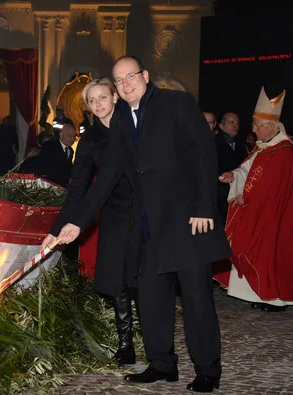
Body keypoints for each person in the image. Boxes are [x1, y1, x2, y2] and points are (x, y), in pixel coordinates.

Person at [54, 56, 231, 393]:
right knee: (151, 300)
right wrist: (77, 223)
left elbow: (203, 154)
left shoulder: (176, 103)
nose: (126, 84)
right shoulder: (121, 118)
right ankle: (162, 364)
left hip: (187, 222)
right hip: (147, 227)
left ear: (145, 76)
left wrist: (204, 207)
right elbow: (107, 177)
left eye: (131, 76)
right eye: (119, 80)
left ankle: (209, 369)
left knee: (196, 301)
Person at [42, 77, 138, 366]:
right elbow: (77, 188)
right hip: (112, 211)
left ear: (115, 97)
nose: (98, 105)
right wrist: (56, 229)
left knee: (143, 278)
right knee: (118, 281)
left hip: (144, 208)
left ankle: (155, 341)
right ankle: (126, 345)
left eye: (102, 98)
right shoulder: (89, 141)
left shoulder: (132, 125)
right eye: (92, 101)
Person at [215, 87, 292, 312]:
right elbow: (247, 172)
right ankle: (256, 294)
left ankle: (275, 300)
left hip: (274, 215)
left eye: (257, 125)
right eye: (254, 125)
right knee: (250, 250)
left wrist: (245, 197)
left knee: (270, 252)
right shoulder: (263, 148)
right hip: (255, 208)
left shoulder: (284, 152)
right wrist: (233, 176)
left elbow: (275, 189)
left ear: (272, 126)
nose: (254, 130)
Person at [215, 112, 248, 223]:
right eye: (231, 122)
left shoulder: (242, 146)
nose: (236, 126)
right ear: (221, 125)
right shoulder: (213, 143)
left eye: (237, 123)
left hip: (237, 192)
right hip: (219, 193)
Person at [36, 122, 76, 187]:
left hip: (63, 187)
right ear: (61, 135)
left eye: (74, 137)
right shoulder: (49, 146)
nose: (72, 139)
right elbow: (43, 165)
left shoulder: (70, 150)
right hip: (49, 186)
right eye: (69, 136)